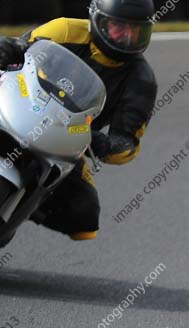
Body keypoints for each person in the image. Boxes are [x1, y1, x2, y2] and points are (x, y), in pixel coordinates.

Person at [0, 0, 157, 241]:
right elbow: (21, 49)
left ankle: (27, 206)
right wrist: (7, 48)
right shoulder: (64, 30)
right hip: (18, 103)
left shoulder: (141, 80)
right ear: (98, 20)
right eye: (119, 27)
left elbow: (128, 143)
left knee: (84, 217)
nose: (126, 37)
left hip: (66, 141)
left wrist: (104, 144)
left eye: (135, 31)